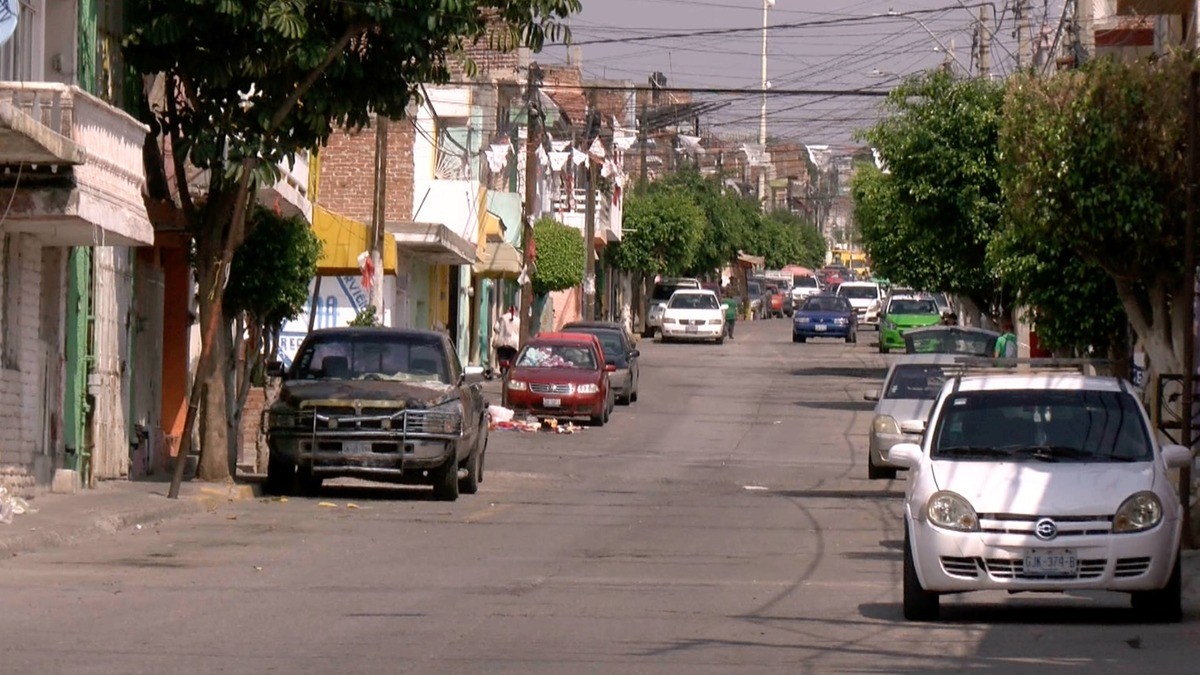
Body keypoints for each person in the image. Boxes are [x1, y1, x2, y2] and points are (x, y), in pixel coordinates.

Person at [492, 305, 520, 370]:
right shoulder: (518, 320)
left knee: (502, 359)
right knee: (512, 362)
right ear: (516, 311)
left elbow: (496, 328)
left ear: (508, 310)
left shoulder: (503, 318)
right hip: (514, 344)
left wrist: (502, 331)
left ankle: (502, 369)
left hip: (502, 343)